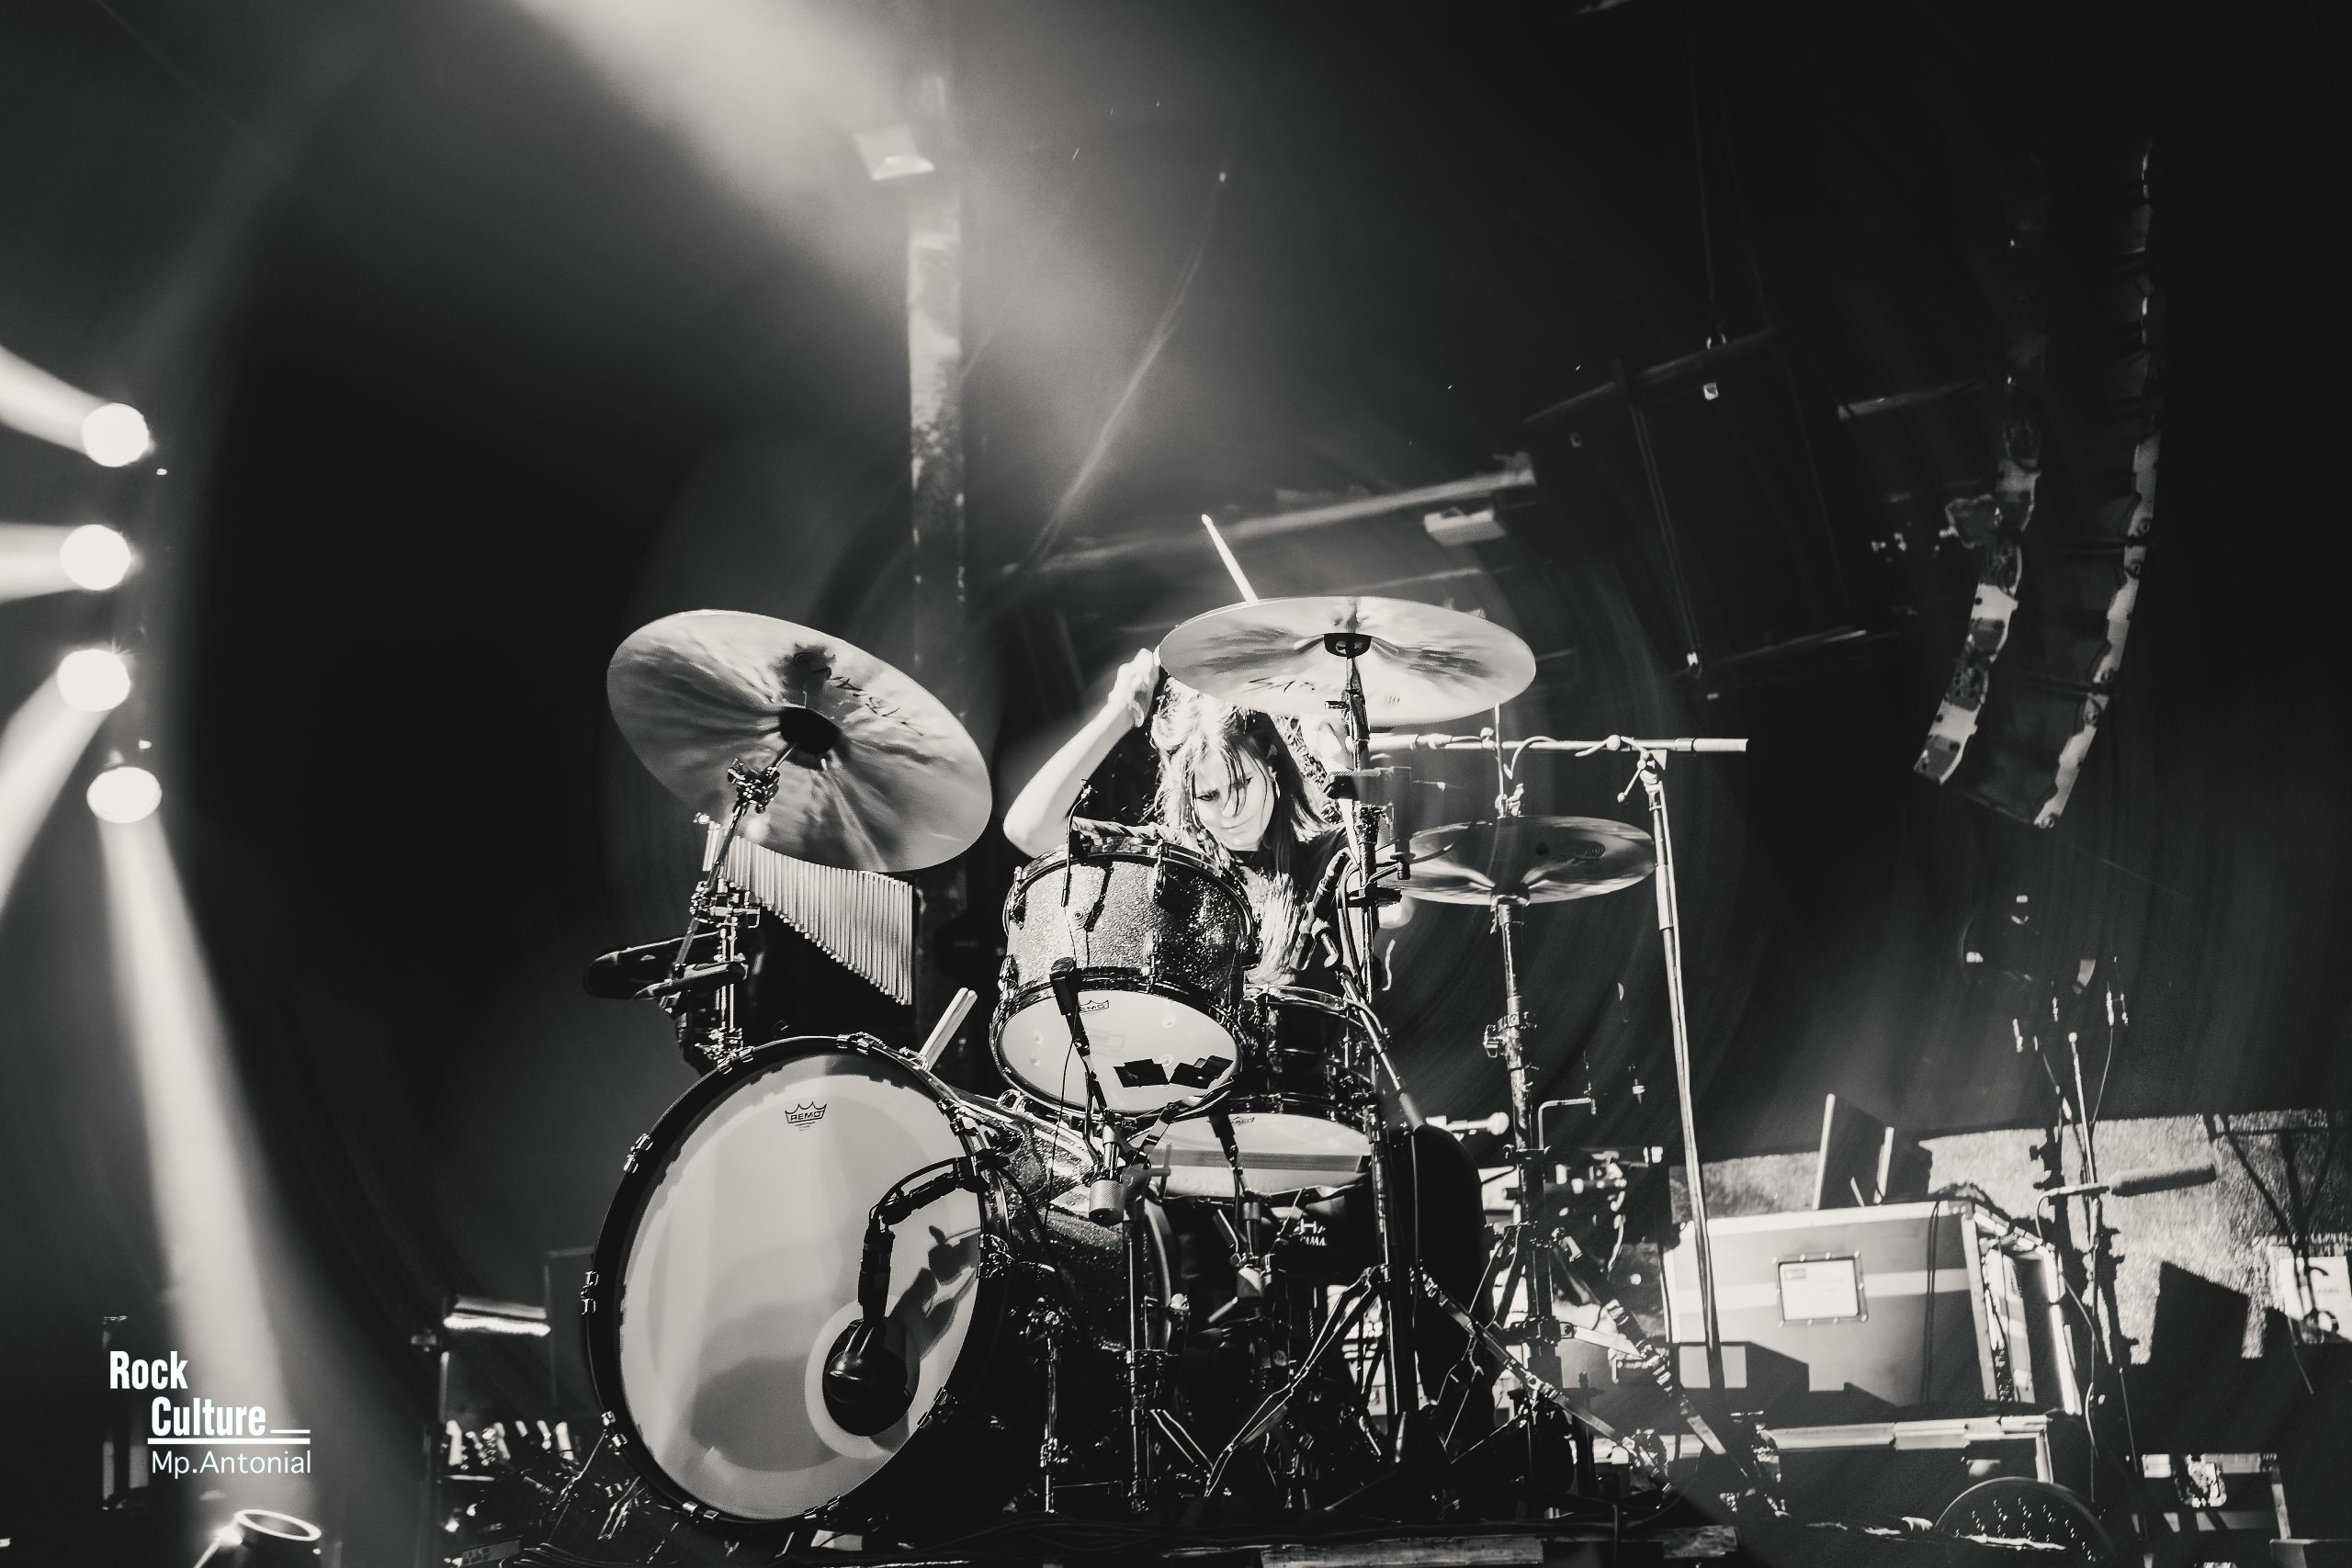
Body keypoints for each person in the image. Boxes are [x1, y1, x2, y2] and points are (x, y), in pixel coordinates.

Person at [1002, 649, 1355, 993]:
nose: (1230, 811)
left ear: (1272, 763)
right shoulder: (1166, 861)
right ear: (1187, 797)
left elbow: (1382, 856)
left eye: (1241, 784)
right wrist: (1120, 712)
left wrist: (1341, 763)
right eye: (1208, 796)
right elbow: (1028, 829)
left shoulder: (1332, 856)